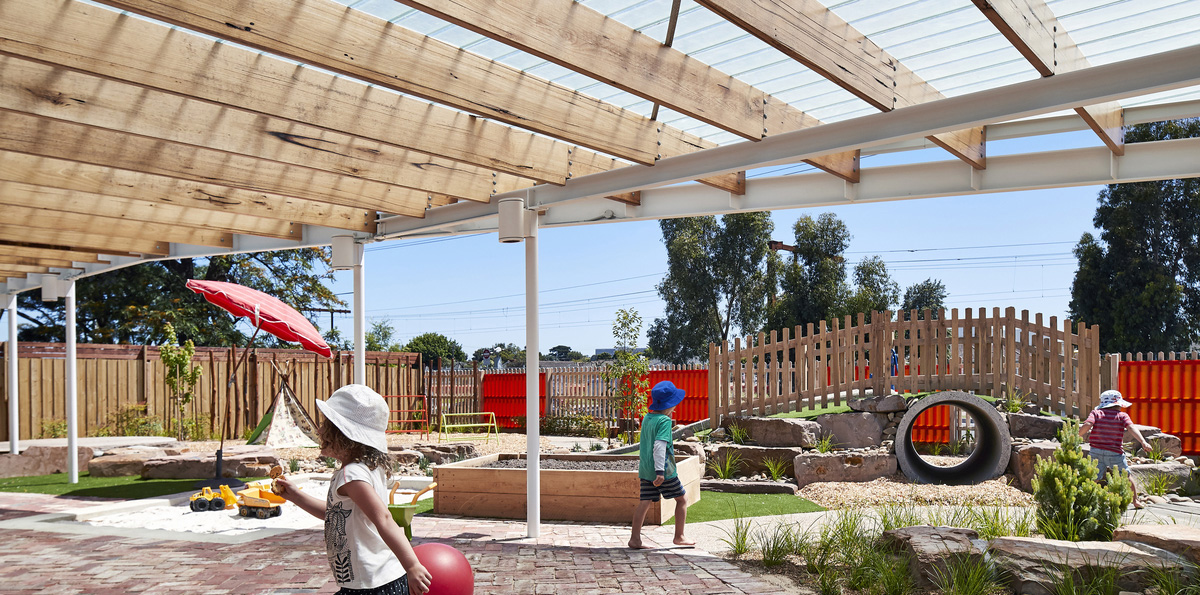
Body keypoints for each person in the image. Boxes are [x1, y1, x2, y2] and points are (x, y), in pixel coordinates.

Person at [275, 384, 433, 595]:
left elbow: (384, 519)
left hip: (372, 586)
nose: (320, 431)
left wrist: (412, 565)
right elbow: (336, 515)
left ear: (344, 435)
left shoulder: (352, 476)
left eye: (326, 426)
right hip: (375, 580)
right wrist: (295, 496)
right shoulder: (365, 469)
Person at [629, 380, 695, 550]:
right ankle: (679, 537)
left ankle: (635, 539)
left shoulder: (647, 419)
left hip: (645, 470)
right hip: (663, 471)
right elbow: (659, 446)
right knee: (682, 499)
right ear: (669, 405)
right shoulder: (664, 421)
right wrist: (660, 472)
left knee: (644, 502)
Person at [1079, 389, 1153, 509]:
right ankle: (1135, 501)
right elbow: (1131, 428)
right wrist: (1143, 441)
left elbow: (1088, 424)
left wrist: (1077, 435)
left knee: (1094, 477)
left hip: (1096, 451)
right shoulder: (1122, 416)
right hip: (1115, 453)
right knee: (1126, 476)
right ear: (1118, 404)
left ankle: (1086, 501)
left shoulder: (1096, 413)